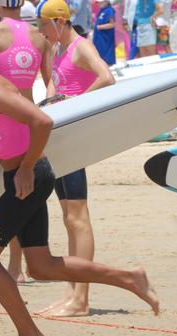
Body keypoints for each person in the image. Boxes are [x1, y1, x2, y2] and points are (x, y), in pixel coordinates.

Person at [0, 34, 159, 336]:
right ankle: (130, 278)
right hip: (21, 177)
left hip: (30, 177)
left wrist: (25, 168)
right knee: (41, 265)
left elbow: (43, 121)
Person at [35, 0, 116, 317]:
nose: (40, 31)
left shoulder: (81, 47)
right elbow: (54, 83)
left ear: (58, 21)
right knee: (69, 218)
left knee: (78, 217)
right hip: (60, 139)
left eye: (42, 24)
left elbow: (107, 77)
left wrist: (76, 102)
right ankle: (72, 293)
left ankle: (81, 300)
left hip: (76, 140)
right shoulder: (55, 49)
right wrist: (50, 103)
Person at [0, 0, 53, 282]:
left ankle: (12, 256)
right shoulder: (38, 38)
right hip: (30, 120)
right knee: (18, 198)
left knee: (0, 194)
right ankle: (16, 262)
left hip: (3, 120)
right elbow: (50, 84)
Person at [93, 0, 116, 65]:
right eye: (98, 2)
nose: (99, 3)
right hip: (100, 40)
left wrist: (100, 27)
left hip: (106, 40)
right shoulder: (101, 10)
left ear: (106, 1)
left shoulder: (109, 10)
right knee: (100, 58)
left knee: (107, 59)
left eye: (101, 2)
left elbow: (112, 24)